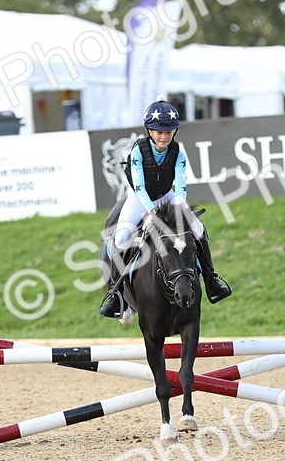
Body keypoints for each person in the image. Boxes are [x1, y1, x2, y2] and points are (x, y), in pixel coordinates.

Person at [99, 97, 231, 319]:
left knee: (198, 229)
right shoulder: (138, 151)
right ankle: (116, 296)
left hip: (165, 195)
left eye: (168, 131)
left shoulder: (178, 152)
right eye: (159, 131)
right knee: (120, 239)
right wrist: (153, 213)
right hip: (139, 199)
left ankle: (211, 279)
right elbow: (140, 187)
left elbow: (180, 187)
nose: (164, 136)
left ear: (175, 131)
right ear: (149, 131)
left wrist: (179, 211)